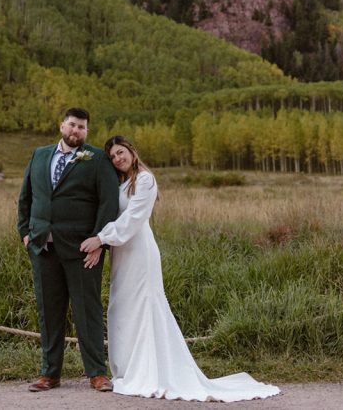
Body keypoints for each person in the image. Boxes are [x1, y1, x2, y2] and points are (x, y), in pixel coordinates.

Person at [79, 135, 281, 401]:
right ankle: (127, 370)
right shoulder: (122, 183)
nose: (118, 158)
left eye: (121, 152)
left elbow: (133, 218)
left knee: (144, 308)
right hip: (121, 254)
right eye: (113, 156)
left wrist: (101, 238)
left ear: (131, 151)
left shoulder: (145, 180)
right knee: (122, 308)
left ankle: (149, 371)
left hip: (140, 252)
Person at [17, 107, 121, 392]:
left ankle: (97, 373)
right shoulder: (39, 155)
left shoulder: (97, 159)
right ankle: (49, 373)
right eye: (72, 125)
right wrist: (25, 233)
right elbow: (26, 196)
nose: (76, 131)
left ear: (86, 132)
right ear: (62, 125)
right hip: (43, 246)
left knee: (87, 309)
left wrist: (100, 240)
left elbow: (108, 203)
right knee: (49, 311)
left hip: (82, 249)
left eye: (82, 127)